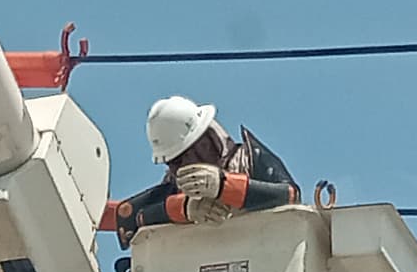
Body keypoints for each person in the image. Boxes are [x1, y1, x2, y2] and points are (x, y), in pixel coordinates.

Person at [103, 95, 298, 237]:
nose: (184, 166)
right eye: (175, 162)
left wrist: (225, 187)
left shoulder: (250, 159)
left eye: (188, 154)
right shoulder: (173, 189)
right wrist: (185, 208)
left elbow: (288, 196)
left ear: (208, 140)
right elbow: (133, 219)